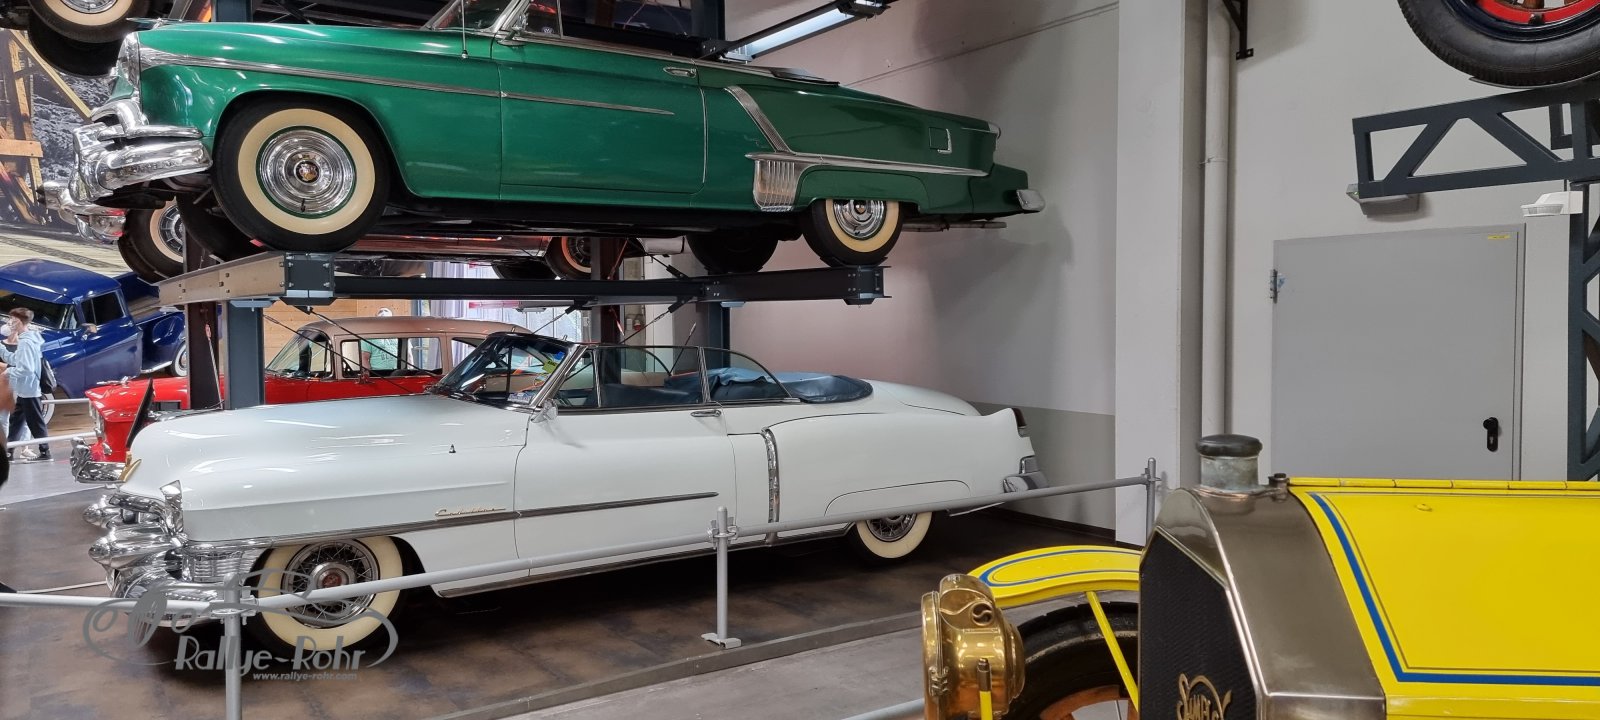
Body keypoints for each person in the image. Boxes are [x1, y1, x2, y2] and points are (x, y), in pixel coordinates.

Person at [0, 308, 48, 462]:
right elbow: (16, 360)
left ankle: (45, 452)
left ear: (19, 321)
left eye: (12, 319)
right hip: (24, 389)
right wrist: (1, 348)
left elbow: (26, 369)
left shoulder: (26, 342)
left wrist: (7, 372)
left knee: (36, 423)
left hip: (29, 390)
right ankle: (9, 452)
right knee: (16, 422)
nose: (9, 323)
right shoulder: (27, 339)